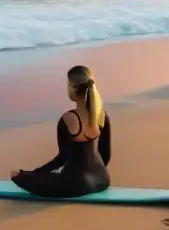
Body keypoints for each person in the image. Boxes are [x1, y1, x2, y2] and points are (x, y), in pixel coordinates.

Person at [10, 65, 111, 198]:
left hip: (78, 184)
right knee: (51, 177)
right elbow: (106, 154)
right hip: (102, 179)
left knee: (19, 176)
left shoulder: (69, 119)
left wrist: (33, 174)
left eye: (68, 84)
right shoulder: (102, 114)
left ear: (73, 88)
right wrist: (95, 174)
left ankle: (25, 176)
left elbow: (62, 159)